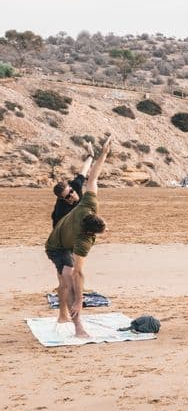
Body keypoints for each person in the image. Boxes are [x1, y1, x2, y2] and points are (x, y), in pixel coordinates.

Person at [44, 136, 113, 338]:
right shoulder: (82, 241)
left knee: (69, 281)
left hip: (67, 238)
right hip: (56, 246)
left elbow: (92, 177)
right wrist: (80, 299)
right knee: (69, 282)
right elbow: (78, 274)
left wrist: (103, 154)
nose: (71, 196)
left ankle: (66, 313)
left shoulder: (88, 204)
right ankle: (77, 326)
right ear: (91, 233)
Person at [50, 140, 96, 320]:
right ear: (62, 199)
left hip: (74, 236)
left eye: (71, 192)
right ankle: (63, 314)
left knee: (76, 273)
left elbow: (84, 170)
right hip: (60, 239)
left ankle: (75, 303)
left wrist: (90, 154)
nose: (72, 196)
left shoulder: (75, 186)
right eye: (67, 197)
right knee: (65, 277)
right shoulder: (61, 211)